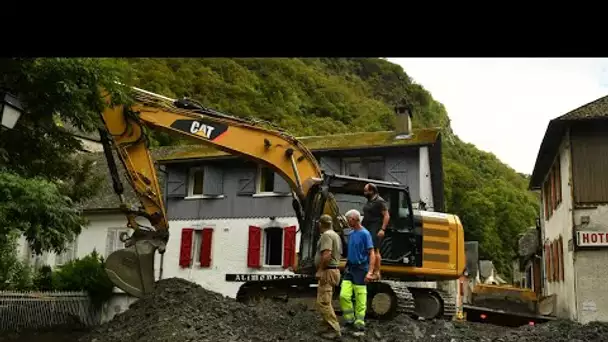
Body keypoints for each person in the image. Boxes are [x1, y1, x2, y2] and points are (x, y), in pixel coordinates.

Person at [339, 209, 375, 333]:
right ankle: (349, 320)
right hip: (350, 268)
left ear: (354, 219)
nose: (347, 222)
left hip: (361, 269)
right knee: (344, 295)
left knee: (360, 296)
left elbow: (372, 253)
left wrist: (370, 272)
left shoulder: (365, 234)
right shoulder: (351, 234)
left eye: (348, 219)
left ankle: (359, 322)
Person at [314, 214, 343, 339]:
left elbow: (326, 254)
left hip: (327, 271)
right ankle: (327, 326)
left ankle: (334, 329)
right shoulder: (336, 235)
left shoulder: (326, 235)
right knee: (326, 299)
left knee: (323, 302)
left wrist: (320, 270)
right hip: (333, 270)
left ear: (321, 224)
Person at [362, 183, 390, 280]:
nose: (365, 193)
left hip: (376, 227)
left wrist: (382, 229)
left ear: (372, 191)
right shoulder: (369, 201)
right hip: (367, 226)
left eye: (366, 191)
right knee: (368, 248)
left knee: (375, 249)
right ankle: (369, 269)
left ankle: (376, 272)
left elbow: (386, 215)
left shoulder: (380, 201)